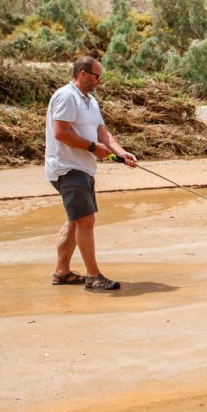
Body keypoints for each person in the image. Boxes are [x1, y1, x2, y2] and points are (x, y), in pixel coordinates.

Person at [45, 55, 137, 290]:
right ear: (83, 73)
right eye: (96, 76)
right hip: (67, 167)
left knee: (75, 221)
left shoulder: (90, 101)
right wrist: (92, 147)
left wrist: (122, 153)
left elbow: (102, 133)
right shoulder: (66, 96)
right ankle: (93, 276)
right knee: (86, 219)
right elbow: (60, 132)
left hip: (84, 167)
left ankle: (62, 272)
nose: (99, 80)